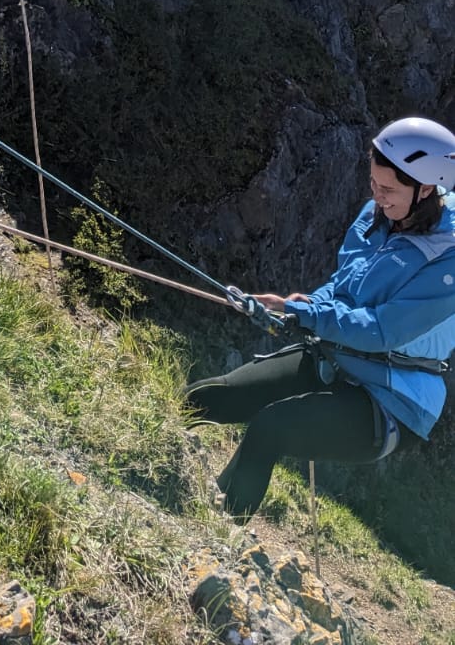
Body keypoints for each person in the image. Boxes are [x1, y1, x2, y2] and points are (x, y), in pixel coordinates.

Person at [187, 117, 455, 520]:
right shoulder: (375, 216)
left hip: (392, 398)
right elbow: (342, 286)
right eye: (373, 183)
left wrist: (304, 314)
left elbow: (383, 330)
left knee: (270, 427)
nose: (377, 196)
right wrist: (297, 305)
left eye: (388, 189)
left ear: (426, 188)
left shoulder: (447, 255)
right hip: (335, 358)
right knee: (204, 399)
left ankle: (215, 532)